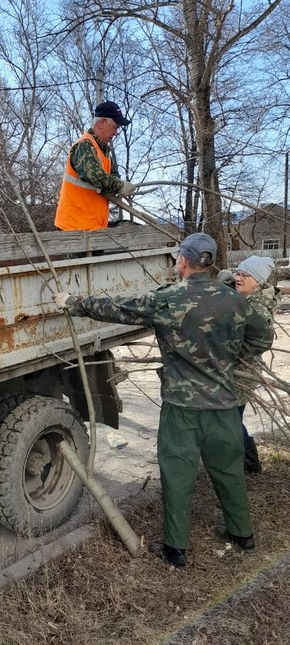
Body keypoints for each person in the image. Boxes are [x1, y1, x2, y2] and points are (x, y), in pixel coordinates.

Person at [53, 233, 257, 568]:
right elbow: (261, 334)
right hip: (223, 405)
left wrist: (72, 303)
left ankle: (176, 551)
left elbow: (118, 308)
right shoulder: (235, 300)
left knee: (178, 475)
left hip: (182, 410)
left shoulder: (168, 300)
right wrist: (229, 358)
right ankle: (242, 535)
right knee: (229, 470)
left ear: (182, 261)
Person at [219, 256, 277, 474]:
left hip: (240, 373)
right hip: (233, 371)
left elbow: (260, 342)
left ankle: (249, 463)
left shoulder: (258, 308)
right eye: (238, 272)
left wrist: (226, 353)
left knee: (231, 421)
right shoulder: (245, 295)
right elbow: (225, 278)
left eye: (245, 275)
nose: (238, 278)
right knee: (231, 420)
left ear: (259, 281)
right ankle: (247, 460)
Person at [54, 101, 136, 232]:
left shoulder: (105, 152)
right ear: (102, 123)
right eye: (115, 127)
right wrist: (120, 186)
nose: (116, 132)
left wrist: (118, 186)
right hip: (74, 227)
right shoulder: (84, 145)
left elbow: (113, 177)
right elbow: (94, 175)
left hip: (93, 227)